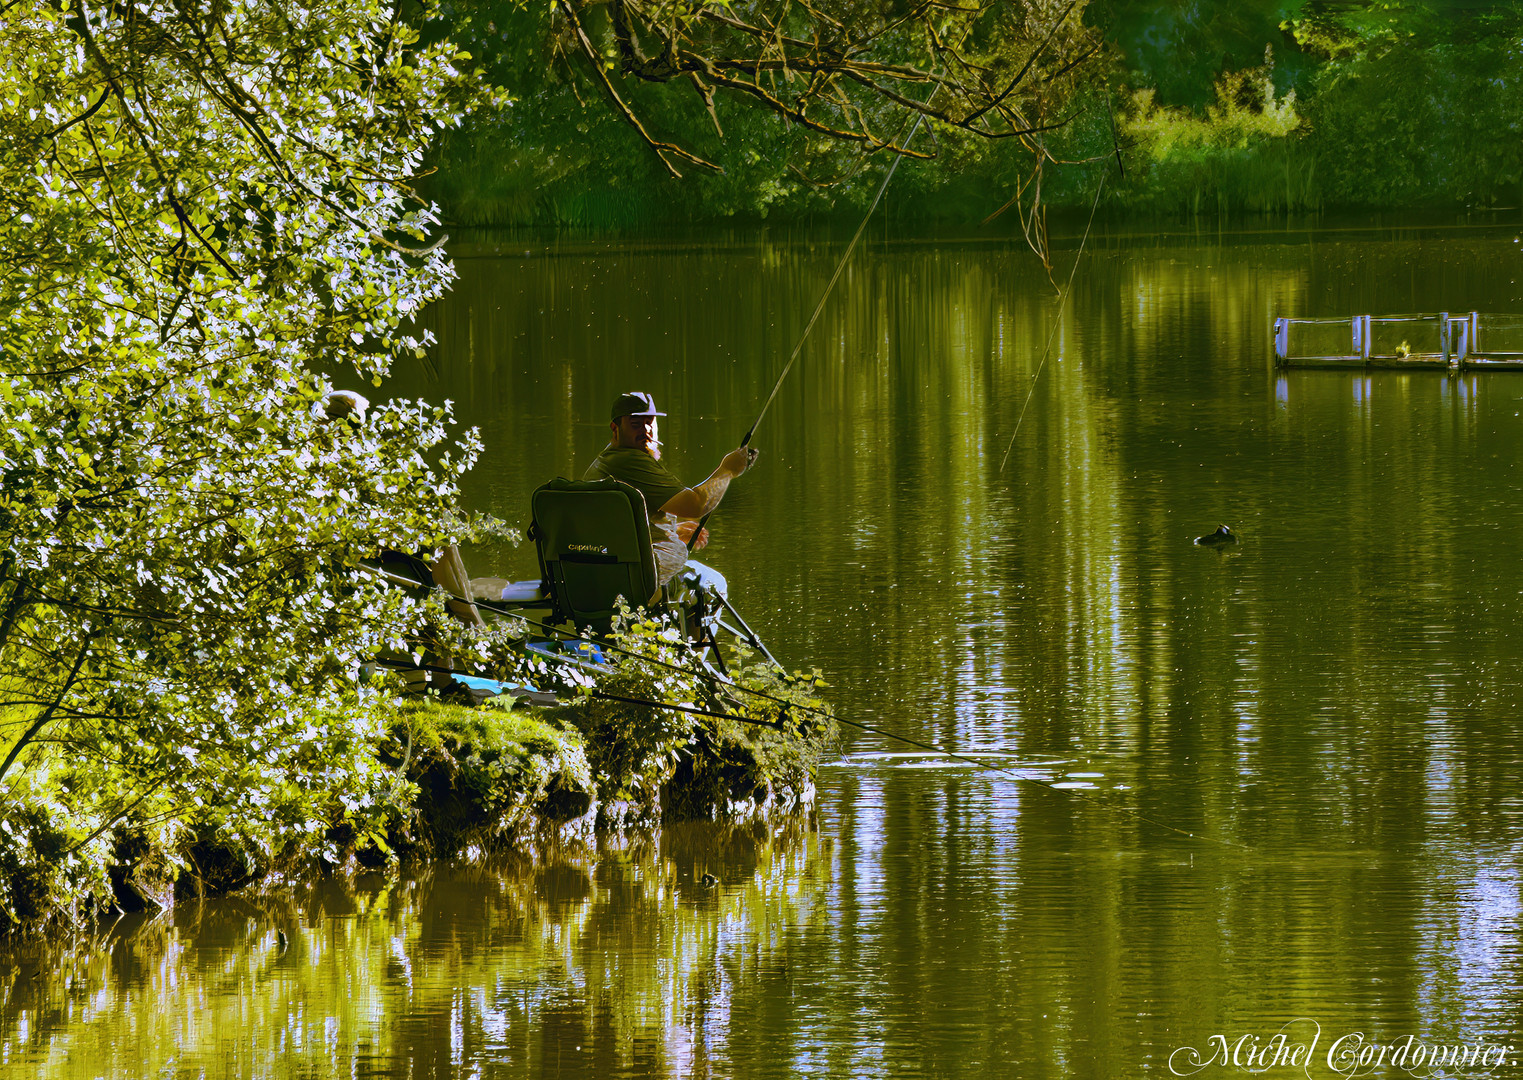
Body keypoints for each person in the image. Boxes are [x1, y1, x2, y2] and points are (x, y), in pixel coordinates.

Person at [584, 391, 756, 587]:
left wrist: (671, 532)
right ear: (615, 428)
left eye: (650, 422)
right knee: (712, 583)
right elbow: (696, 505)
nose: (646, 430)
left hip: (616, 567)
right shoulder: (629, 461)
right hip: (638, 576)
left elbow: (617, 529)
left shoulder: (607, 460)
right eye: (635, 424)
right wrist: (728, 470)